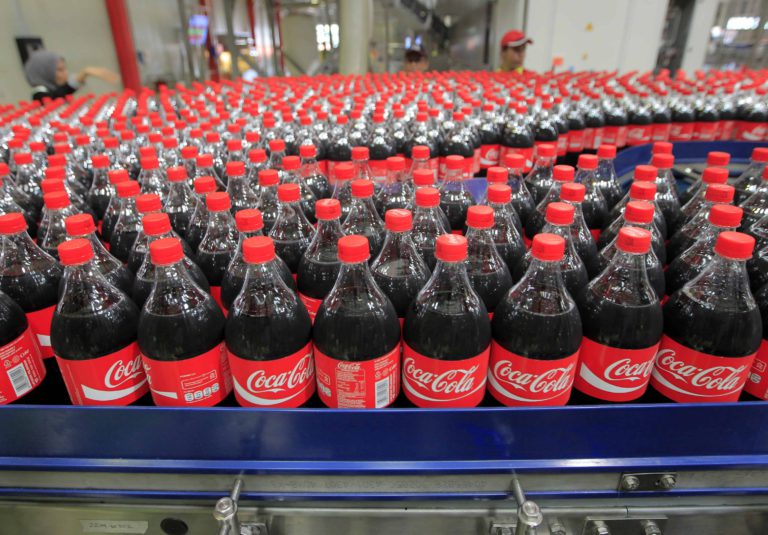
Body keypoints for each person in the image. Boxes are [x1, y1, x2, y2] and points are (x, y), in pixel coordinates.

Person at [24, 50, 119, 102]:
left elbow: (64, 91)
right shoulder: (39, 93)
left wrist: (85, 74)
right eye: (60, 70)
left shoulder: (53, 89)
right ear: (44, 72)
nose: (66, 73)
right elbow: (58, 96)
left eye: (65, 69)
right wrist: (84, 73)